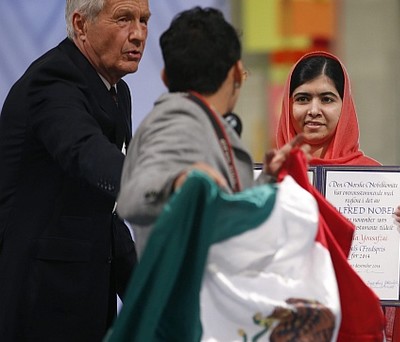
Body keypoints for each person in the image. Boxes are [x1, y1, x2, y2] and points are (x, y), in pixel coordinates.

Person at [0, 0, 150, 340]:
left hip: (89, 304)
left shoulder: (117, 91)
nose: (139, 34)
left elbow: (104, 211)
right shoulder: (53, 79)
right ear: (81, 25)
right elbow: (85, 151)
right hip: (40, 305)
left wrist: (145, 291)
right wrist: (156, 186)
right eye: (124, 19)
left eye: (144, 20)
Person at [116, 7, 305, 256]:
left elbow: (222, 211)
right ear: (237, 71)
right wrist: (176, 183)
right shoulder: (177, 121)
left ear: (165, 77)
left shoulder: (204, 121)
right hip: (190, 293)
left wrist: (267, 178)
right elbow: (132, 199)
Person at [276, 51, 400, 342]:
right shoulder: (269, 179)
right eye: (303, 98)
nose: (314, 110)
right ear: (287, 104)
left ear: (345, 107)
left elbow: (395, 285)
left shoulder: (377, 182)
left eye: (327, 99)